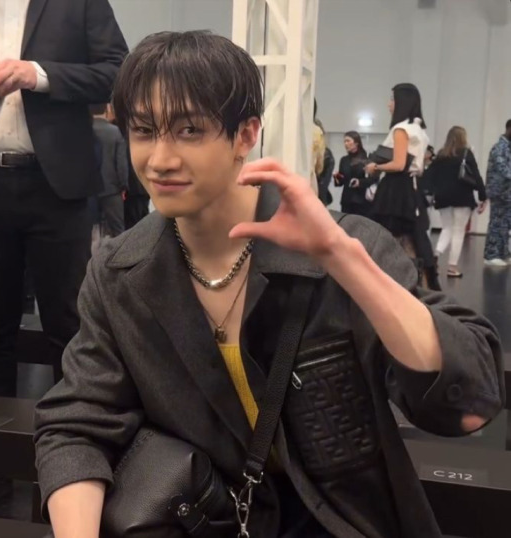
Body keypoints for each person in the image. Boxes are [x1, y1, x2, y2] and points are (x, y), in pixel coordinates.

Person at [34, 31, 504, 538]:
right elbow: (76, 423)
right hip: (205, 516)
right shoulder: (120, 274)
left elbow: (468, 403)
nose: (160, 159)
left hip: (341, 521)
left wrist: (342, 257)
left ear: (245, 134)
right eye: (144, 131)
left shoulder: (346, 250)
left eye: (190, 131)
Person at [0, 0, 127, 512]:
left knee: (69, 329)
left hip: (58, 187)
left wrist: (37, 75)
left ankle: (66, 464)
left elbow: (118, 72)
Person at [366, 83, 439, 289]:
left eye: (392, 99)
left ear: (402, 102)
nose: (389, 104)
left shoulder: (401, 129)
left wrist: (375, 166)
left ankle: (394, 285)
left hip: (395, 189)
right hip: (411, 187)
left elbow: (398, 164)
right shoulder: (419, 130)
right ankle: (418, 287)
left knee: (391, 240)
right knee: (413, 239)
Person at [426, 127, 487, 277]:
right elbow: (476, 176)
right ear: (463, 138)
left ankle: (436, 255)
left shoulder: (441, 155)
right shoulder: (466, 153)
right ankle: (452, 267)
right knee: (458, 231)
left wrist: (431, 193)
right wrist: (483, 196)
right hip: (462, 197)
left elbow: (429, 176)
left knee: (447, 228)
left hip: (443, 197)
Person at [92, 104, 129, 238]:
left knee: (91, 231)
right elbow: (121, 162)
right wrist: (124, 185)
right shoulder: (114, 132)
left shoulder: (83, 130)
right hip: (112, 189)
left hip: (89, 190)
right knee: (118, 231)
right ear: (107, 109)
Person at [483, 120, 511, 266]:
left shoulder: (507, 147)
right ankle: (491, 255)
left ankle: (502, 254)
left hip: (506, 193)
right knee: (497, 223)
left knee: (505, 225)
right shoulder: (500, 148)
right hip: (499, 192)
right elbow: (504, 169)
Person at [333, 131, 373, 217]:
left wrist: (359, 182)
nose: (345, 144)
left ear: (356, 142)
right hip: (347, 201)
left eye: (348, 141)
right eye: (344, 141)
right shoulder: (344, 160)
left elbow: (372, 180)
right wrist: (336, 177)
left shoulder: (367, 159)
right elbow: (340, 183)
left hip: (362, 201)